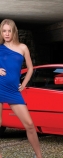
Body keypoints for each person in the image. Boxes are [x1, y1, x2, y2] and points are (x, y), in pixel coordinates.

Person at [0, 19, 42, 158]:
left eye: (9, 30)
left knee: (29, 125)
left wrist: (24, 84)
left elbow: (30, 68)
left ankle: (39, 156)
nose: (6, 34)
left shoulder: (22, 47)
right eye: (4, 31)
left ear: (14, 31)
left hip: (13, 91)